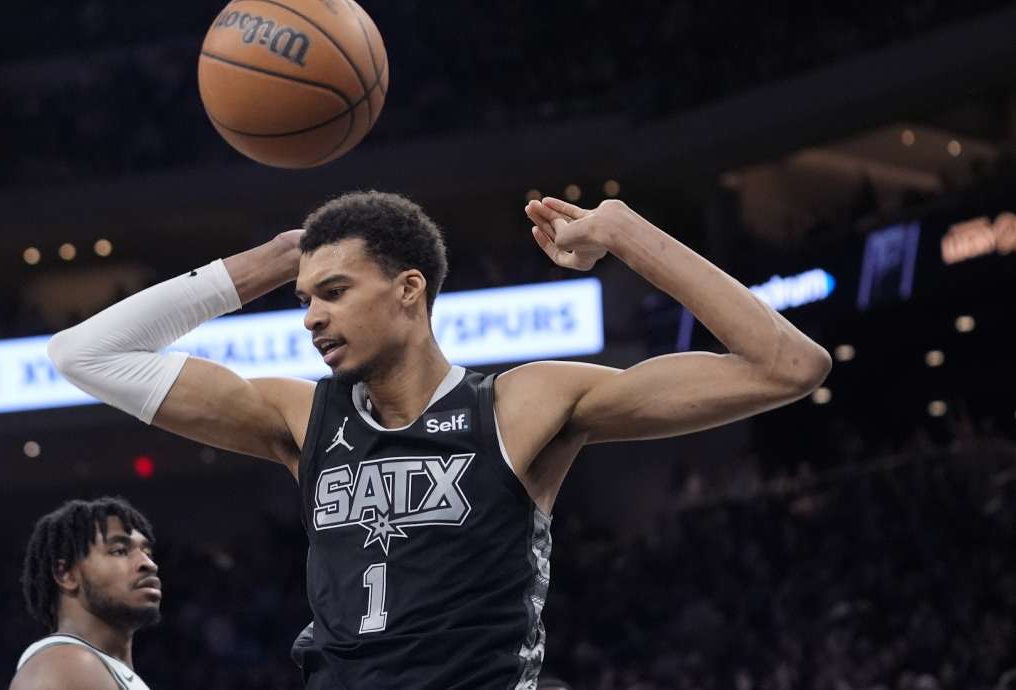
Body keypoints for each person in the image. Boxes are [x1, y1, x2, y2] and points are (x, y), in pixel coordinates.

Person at [47, 192, 830, 688]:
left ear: (409, 289)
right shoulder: (302, 417)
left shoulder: (521, 404)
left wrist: (625, 232)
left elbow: (789, 366)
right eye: (303, 297)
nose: (311, 316)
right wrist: (272, 260)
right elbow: (84, 354)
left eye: (334, 291)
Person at [11, 497, 161, 690]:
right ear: (65, 575)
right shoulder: (65, 666)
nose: (149, 564)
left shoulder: (99, 668)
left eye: (147, 553)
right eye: (119, 551)